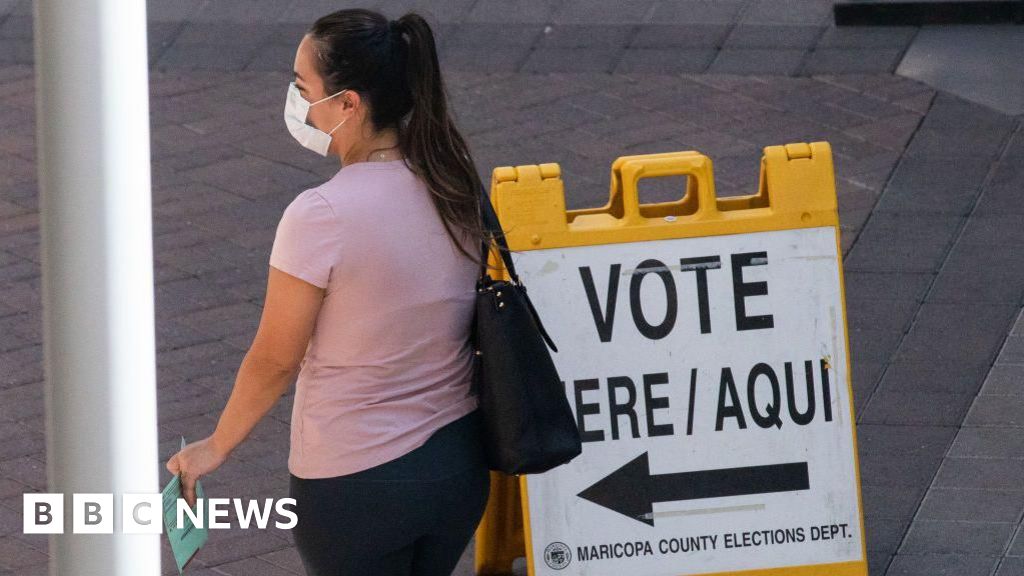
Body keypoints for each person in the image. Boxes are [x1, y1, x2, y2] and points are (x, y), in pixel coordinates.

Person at [165, 8, 501, 575]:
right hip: (456, 466)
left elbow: (276, 358)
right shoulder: (454, 184)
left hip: (356, 483)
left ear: (348, 104)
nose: (296, 100)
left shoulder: (320, 216)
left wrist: (216, 445)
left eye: (303, 87)